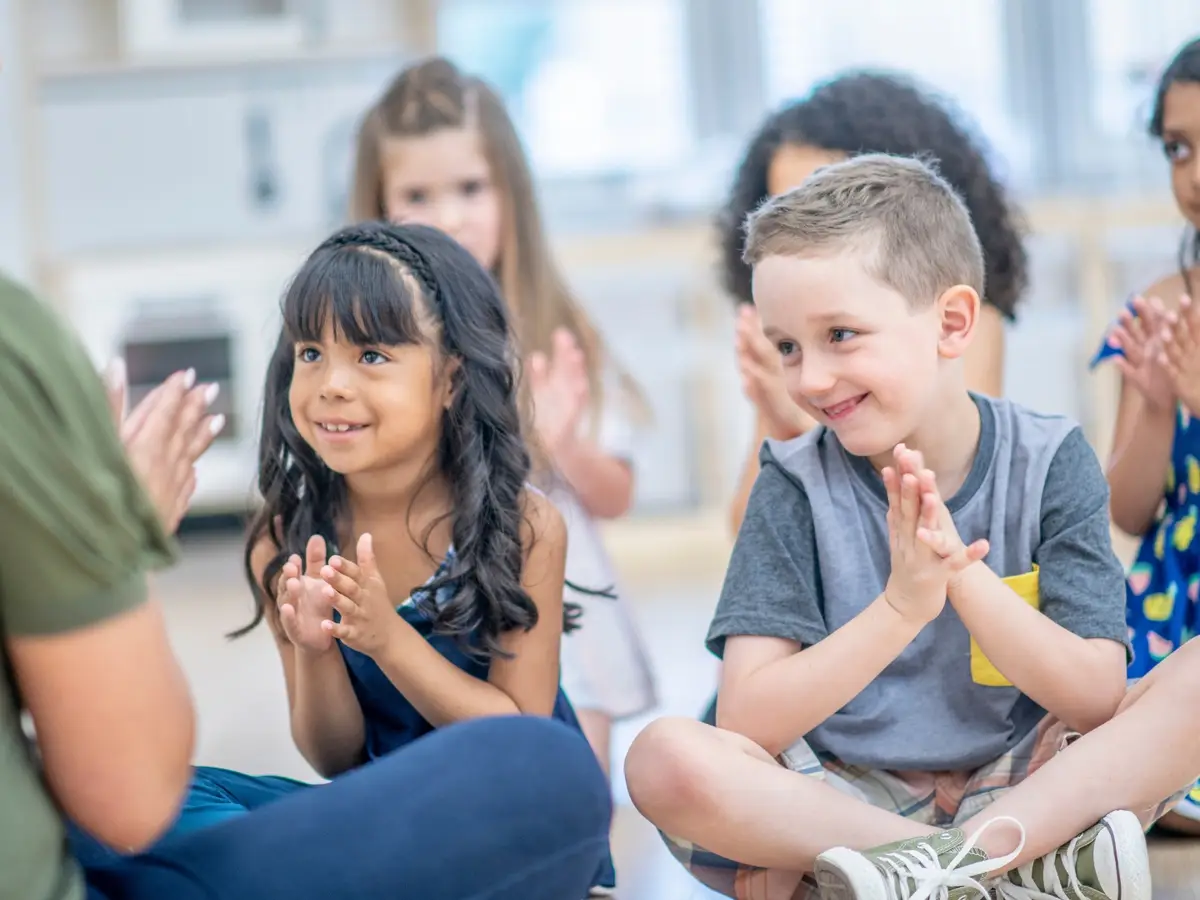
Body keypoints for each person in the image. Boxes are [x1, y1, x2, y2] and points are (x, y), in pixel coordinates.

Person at [623, 155, 1199, 900]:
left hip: (1028, 784)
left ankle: (937, 869)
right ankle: (987, 871)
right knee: (663, 758)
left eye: (841, 334)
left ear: (952, 322)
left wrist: (961, 578)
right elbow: (748, 717)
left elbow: (1093, 695)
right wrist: (901, 609)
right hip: (842, 800)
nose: (811, 380)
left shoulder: (1053, 458)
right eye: (789, 347)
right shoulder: (793, 483)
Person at [65, 223, 614, 899]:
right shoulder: (287, 533)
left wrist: (388, 640)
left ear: (451, 379)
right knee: (112, 804)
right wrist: (315, 651)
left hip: (493, 818)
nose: (330, 384)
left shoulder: (522, 526)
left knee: (553, 766)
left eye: (373, 355)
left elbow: (523, 746)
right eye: (310, 352)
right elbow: (335, 757)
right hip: (366, 824)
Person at [350, 56, 657, 812]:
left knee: (572, 802)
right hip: (441, 600)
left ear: (511, 194)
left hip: (565, 598)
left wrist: (565, 445)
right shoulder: (376, 345)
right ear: (378, 205)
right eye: (418, 195)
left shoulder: (554, 325)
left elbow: (616, 495)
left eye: (470, 188)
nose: (450, 216)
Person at [722, 71, 1029, 536]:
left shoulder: (965, 326)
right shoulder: (792, 345)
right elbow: (748, 534)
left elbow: (953, 508)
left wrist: (800, 426)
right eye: (785, 204)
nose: (800, 225)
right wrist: (778, 418)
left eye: (828, 200)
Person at [1092, 35, 1200, 835]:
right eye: (1177, 147)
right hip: (1171, 601)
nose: (1192, 173)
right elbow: (1127, 513)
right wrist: (1160, 405)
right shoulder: (1162, 307)